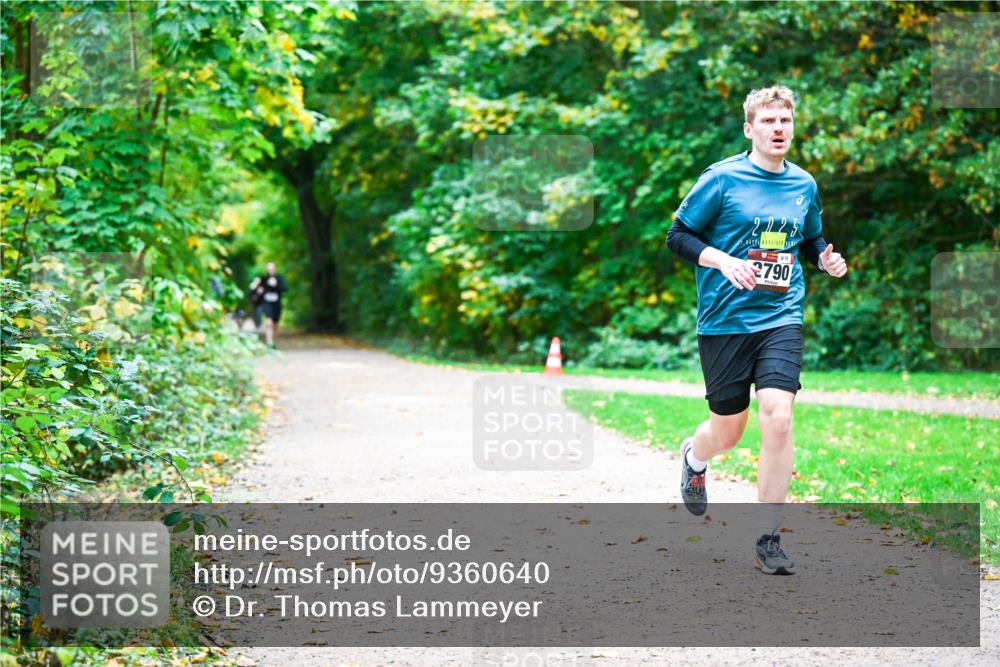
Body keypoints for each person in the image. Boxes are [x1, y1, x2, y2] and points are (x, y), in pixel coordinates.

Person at [666, 85, 847, 575]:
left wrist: (824, 259)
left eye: (785, 121)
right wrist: (723, 261)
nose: (778, 129)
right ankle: (695, 457)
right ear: (750, 129)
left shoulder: (803, 185)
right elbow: (677, 236)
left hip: (781, 315)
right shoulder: (722, 180)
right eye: (768, 122)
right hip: (724, 321)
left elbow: (809, 239)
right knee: (728, 429)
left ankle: (769, 537)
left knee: (779, 417)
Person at [253, 262, 287, 348]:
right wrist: (258, 290)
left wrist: (276, 285)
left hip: (276, 304)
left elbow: (284, 288)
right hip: (266, 303)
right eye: (269, 269)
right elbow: (254, 288)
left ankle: (273, 342)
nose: (270, 271)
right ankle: (269, 342)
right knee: (269, 322)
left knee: (275, 323)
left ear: (275, 269)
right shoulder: (263, 278)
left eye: (272, 269)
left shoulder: (279, 278)